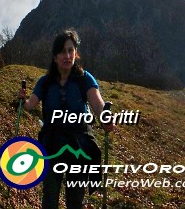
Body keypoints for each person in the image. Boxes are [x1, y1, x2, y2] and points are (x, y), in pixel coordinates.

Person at [17, 29, 115, 208]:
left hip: (79, 143)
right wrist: (22, 101)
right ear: (55, 57)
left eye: (71, 50)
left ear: (76, 54)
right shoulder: (45, 82)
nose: (67, 55)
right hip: (52, 144)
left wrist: (105, 118)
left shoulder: (84, 79)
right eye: (62, 51)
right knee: (49, 198)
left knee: (75, 200)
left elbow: (97, 104)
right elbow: (30, 105)